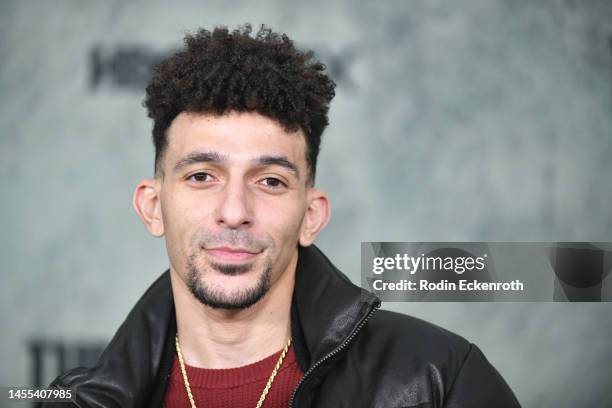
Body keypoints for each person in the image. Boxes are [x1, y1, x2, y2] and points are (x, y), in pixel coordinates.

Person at [44, 24, 521, 408]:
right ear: (153, 207)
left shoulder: (440, 378)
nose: (234, 212)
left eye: (270, 181)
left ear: (311, 216)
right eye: (202, 177)